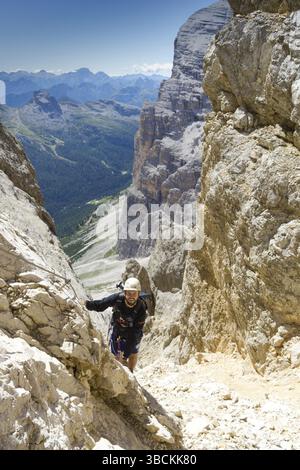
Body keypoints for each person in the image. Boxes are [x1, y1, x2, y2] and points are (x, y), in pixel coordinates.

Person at [85, 277, 147, 372]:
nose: (131, 296)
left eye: (134, 293)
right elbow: (101, 305)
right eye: (129, 293)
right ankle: (118, 372)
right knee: (115, 355)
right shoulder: (117, 299)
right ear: (125, 292)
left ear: (138, 294)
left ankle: (130, 371)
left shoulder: (141, 308)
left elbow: (135, 333)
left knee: (133, 353)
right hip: (117, 328)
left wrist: (125, 356)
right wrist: (86, 304)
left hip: (133, 331)